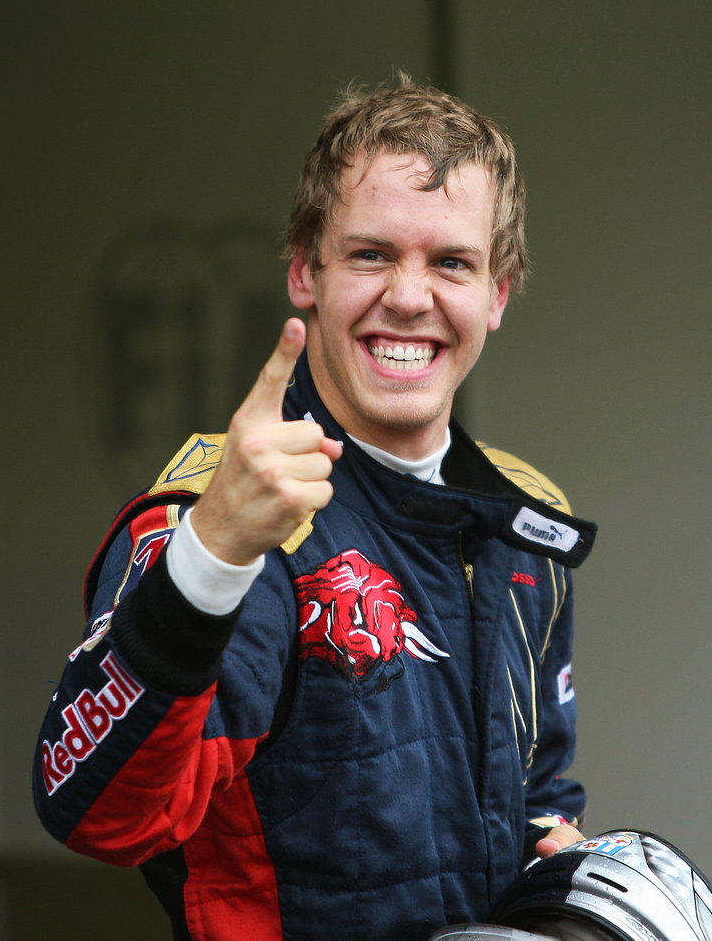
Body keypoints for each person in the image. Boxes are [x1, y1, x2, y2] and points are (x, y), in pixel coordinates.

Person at [34, 75, 596, 941]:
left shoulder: (526, 521)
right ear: (304, 269)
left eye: (451, 262)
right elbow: (104, 813)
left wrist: (561, 885)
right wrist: (211, 551)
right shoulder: (229, 516)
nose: (410, 296)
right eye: (371, 254)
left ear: (498, 292)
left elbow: (540, 795)